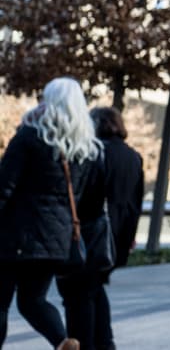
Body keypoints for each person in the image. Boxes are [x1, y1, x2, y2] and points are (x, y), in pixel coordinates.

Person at [0, 76, 107, 350]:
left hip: (16, 236)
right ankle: (63, 341)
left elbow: (5, 186)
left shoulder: (30, 136)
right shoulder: (87, 149)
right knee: (33, 301)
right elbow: (84, 197)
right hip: (57, 240)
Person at [55, 106, 143, 350]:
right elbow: (135, 202)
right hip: (116, 238)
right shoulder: (133, 156)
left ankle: (85, 345)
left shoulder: (94, 152)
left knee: (77, 297)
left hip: (90, 235)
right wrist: (129, 237)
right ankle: (105, 344)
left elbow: (82, 198)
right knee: (94, 290)